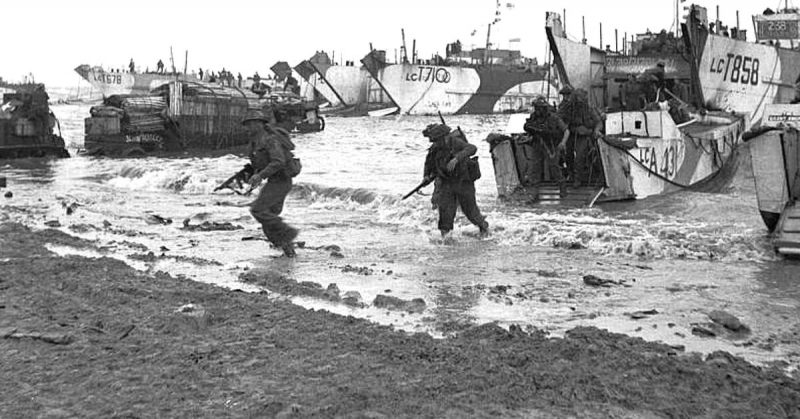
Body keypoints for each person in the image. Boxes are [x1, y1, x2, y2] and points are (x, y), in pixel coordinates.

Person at [242, 109, 299, 257]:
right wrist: (254, 174)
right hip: (274, 181)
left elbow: (278, 162)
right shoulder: (255, 143)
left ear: (258, 124)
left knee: (258, 210)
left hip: (281, 181)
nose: (247, 128)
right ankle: (289, 252)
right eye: (246, 125)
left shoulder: (270, 140)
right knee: (267, 218)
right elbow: (260, 163)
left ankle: (288, 233)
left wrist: (260, 176)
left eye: (249, 125)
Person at [422, 123, 488, 241]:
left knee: (470, 211)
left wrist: (456, 159)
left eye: (437, 139)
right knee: (445, 212)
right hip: (446, 183)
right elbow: (428, 164)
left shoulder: (454, 142)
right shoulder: (435, 148)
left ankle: (484, 229)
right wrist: (426, 176)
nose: (435, 142)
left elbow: (472, 148)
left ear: (443, 137)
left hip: (463, 182)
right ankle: (446, 240)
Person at [523, 97, 570, 197]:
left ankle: (562, 185)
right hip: (537, 144)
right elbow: (528, 127)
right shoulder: (533, 117)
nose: (537, 110)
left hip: (551, 145)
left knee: (554, 167)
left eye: (539, 108)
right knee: (535, 168)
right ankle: (534, 191)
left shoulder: (553, 118)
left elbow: (566, 131)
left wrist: (563, 143)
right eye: (536, 108)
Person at [558, 88, 603, 187]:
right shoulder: (568, 108)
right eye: (578, 99)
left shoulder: (589, 109)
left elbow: (598, 122)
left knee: (579, 158)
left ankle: (578, 179)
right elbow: (559, 119)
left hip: (583, 136)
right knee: (568, 156)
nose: (580, 101)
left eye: (582, 99)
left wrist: (596, 130)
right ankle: (571, 176)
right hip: (571, 135)